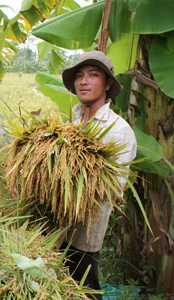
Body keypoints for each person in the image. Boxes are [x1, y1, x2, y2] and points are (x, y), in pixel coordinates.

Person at [60, 51, 137, 299]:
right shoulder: (71, 121)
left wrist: (68, 183)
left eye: (93, 75)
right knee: (57, 286)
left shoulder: (118, 131)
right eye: (80, 75)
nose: (84, 81)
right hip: (56, 223)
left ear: (108, 84)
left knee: (84, 289)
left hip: (85, 229)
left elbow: (112, 187)